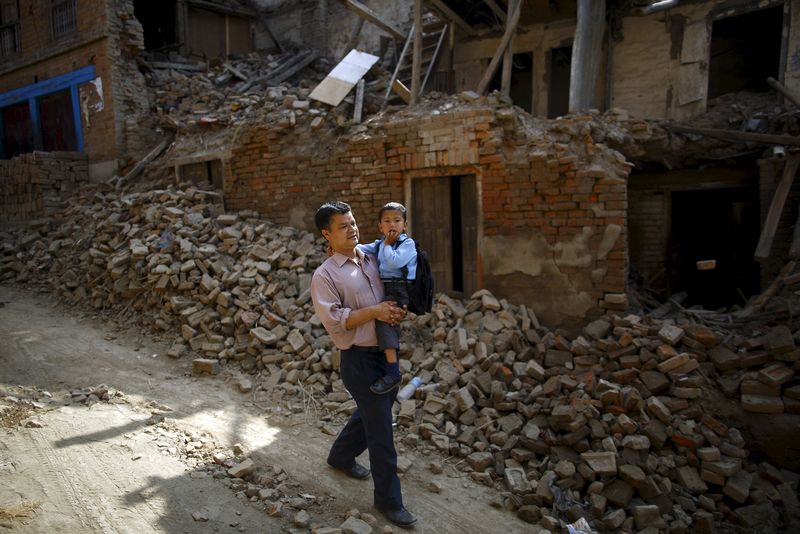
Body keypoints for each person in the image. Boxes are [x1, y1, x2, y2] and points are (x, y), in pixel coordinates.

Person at [310, 201, 418, 529]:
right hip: (357, 359)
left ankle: (340, 456)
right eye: (342, 226)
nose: (352, 229)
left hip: (384, 353)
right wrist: (374, 312)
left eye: (353, 222)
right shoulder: (325, 275)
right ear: (327, 234)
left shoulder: (371, 256)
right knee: (381, 429)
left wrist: (396, 310)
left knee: (374, 412)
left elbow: (390, 288)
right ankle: (388, 501)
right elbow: (336, 321)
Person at [357, 202, 417, 395]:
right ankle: (386, 364)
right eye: (387, 221)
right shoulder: (380, 244)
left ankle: (393, 372)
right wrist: (338, 249)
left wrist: (388, 245)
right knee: (381, 322)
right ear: (380, 226)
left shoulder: (407, 244)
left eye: (397, 221)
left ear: (405, 225)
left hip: (399, 289)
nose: (392, 225)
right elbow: (361, 248)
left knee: (386, 323)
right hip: (387, 288)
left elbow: (394, 261)